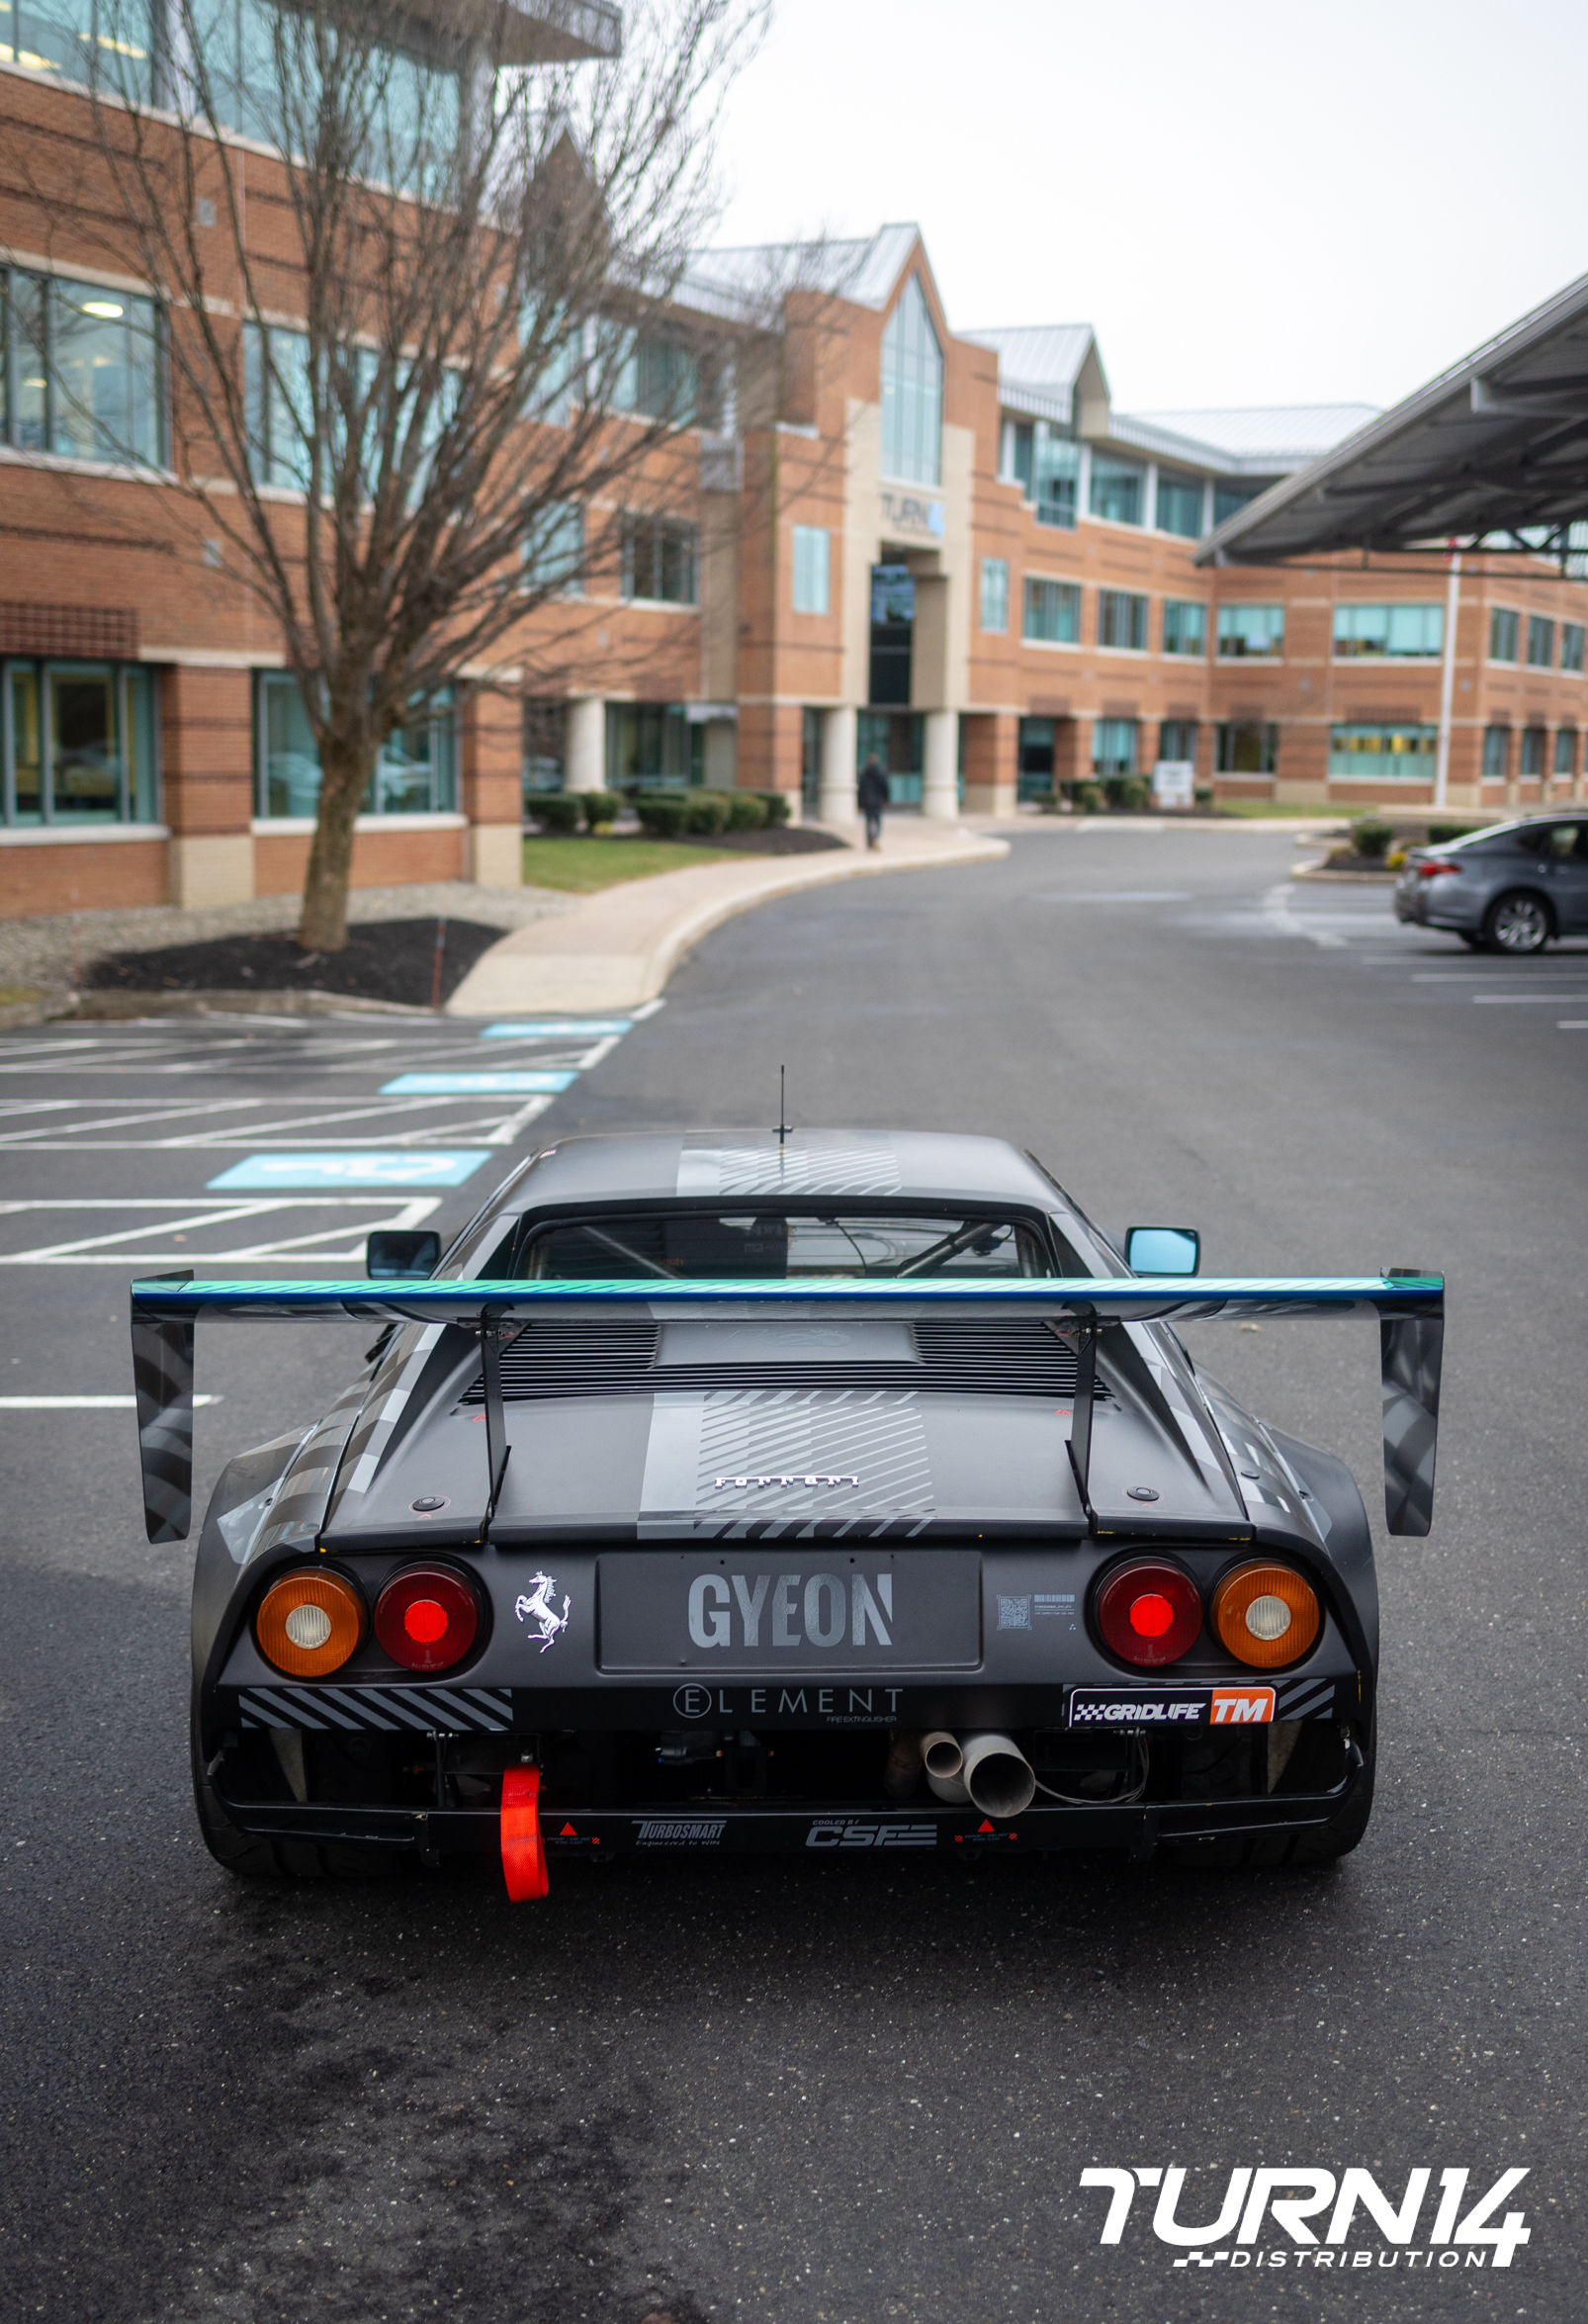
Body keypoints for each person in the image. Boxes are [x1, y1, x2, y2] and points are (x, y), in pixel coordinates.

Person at [857, 753, 888, 850]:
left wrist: (860, 804)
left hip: (867, 802)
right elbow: (885, 788)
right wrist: (886, 800)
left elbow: (861, 790)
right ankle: (875, 837)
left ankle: (870, 841)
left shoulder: (864, 774)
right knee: (878, 823)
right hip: (877, 802)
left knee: (868, 823)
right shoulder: (880, 773)